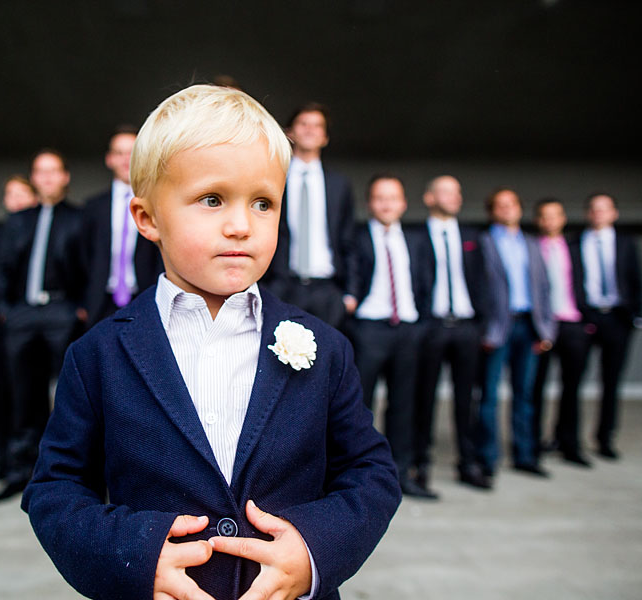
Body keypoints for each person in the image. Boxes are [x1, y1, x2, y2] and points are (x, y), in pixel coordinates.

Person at [21, 84, 400, 600]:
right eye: (212, 199)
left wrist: (313, 550)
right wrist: (134, 555)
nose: (241, 225)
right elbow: (56, 490)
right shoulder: (98, 355)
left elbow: (371, 470)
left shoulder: (325, 347)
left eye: (263, 203)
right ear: (148, 219)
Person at [0, 150, 88, 502]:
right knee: (23, 395)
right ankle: (20, 471)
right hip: (22, 315)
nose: (47, 178)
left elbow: (89, 265)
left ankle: (67, 477)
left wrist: (78, 310)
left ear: (65, 177)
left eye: (53, 171)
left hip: (62, 312)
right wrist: (6, 310)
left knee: (69, 397)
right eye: (40, 172)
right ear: (34, 178)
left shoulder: (79, 219)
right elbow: (1, 268)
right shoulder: (19, 220)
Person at [344, 174, 434, 499]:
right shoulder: (357, 236)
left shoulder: (417, 239)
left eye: (392, 198)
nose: (386, 204)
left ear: (403, 203)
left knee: (403, 406)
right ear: (370, 203)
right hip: (369, 328)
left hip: (407, 329)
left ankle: (399, 475)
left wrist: (421, 324)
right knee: (360, 406)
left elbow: (426, 282)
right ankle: (356, 476)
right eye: (380, 198)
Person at [413, 175, 492, 494]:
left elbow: (483, 281)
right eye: (446, 191)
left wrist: (480, 324)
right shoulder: (416, 237)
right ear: (429, 198)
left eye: (458, 192)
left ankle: (468, 462)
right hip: (432, 326)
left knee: (466, 399)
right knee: (424, 399)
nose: (454, 197)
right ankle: (421, 464)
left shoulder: (472, 236)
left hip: (466, 327)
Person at [478, 187, 556, 479]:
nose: (507, 209)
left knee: (525, 394)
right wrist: (485, 329)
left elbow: (545, 289)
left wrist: (547, 329)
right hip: (498, 328)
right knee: (489, 395)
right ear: (492, 211)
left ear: (520, 209)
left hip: (529, 326)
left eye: (512, 204)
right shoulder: (484, 242)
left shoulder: (532, 243)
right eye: (500, 205)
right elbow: (480, 288)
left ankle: (525, 455)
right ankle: (488, 457)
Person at [265, 102, 355, 329]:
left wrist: (350, 292)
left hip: (328, 289)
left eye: (317, 126)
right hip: (282, 285)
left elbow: (348, 239)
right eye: (303, 124)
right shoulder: (273, 178)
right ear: (289, 132)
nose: (310, 130)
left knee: (327, 359)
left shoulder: (338, 184)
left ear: (325, 137)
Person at [0, 175, 39, 481]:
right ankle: (3, 460)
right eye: (10, 194)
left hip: (27, 325)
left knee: (26, 397)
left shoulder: (39, 232)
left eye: (22, 193)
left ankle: (26, 464)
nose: (15, 199)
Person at [577, 192, 642, 460]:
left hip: (617, 319)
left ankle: (605, 437)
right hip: (586, 317)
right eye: (594, 209)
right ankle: (566, 437)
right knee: (573, 381)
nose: (599, 214)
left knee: (611, 381)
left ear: (614, 213)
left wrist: (637, 316)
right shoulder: (576, 243)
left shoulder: (626, 243)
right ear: (587, 214)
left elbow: (636, 280)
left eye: (604, 209)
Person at [531, 198, 593, 467]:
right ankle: (532, 444)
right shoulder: (531, 247)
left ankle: (569, 443)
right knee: (536, 388)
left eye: (555, 215)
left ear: (563, 218)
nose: (550, 221)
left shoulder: (576, 248)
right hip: (544, 325)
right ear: (538, 220)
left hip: (572, 323)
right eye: (544, 216)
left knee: (572, 388)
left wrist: (588, 321)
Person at [81, 125, 162, 327]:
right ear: (109, 159)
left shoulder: (156, 202)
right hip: (100, 300)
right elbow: (82, 255)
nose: (126, 159)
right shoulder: (93, 206)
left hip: (145, 296)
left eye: (132, 152)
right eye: (119, 153)